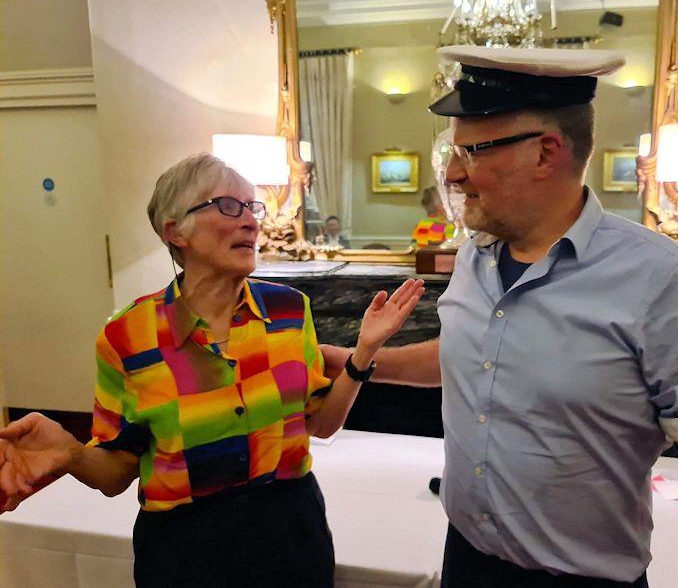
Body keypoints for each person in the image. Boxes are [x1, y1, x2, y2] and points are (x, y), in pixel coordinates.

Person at [322, 46, 678, 588]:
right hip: (467, 560)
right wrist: (357, 360)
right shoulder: (477, 256)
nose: (454, 175)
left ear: (547, 152)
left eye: (471, 152)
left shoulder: (660, 280)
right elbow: (475, 353)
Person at [0, 153, 424, 587]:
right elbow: (116, 473)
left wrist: (363, 355)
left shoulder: (288, 310)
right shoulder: (128, 336)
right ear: (175, 231)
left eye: (252, 207)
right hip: (185, 552)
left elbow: (321, 425)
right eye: (227, 206)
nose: (251, 221)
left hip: (291, 535)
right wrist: (72, 454)